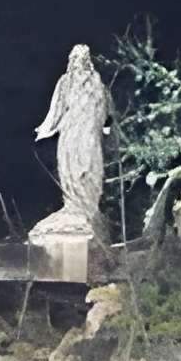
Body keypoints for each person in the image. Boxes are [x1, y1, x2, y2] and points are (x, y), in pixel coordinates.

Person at [29, 43, 109, 241]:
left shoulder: (94, 82)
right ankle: (74, 205)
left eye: (80, 58)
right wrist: (45, 128)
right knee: (70, 166)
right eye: (75, 58)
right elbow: (57, 107)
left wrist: (103, 126)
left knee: (88, 166)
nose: (77, 62)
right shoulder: (66, 82)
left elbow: (102, 108)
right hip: (72, 132)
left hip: (86, 133)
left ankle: (86, 206)